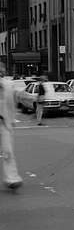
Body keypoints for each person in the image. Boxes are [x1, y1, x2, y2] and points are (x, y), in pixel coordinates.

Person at [0, 61, 22, 189]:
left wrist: (32, 98)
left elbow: (18, 95)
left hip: (4, 124)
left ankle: (12, 179)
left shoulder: (9, 85)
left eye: (1, 69)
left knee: (8, 151)